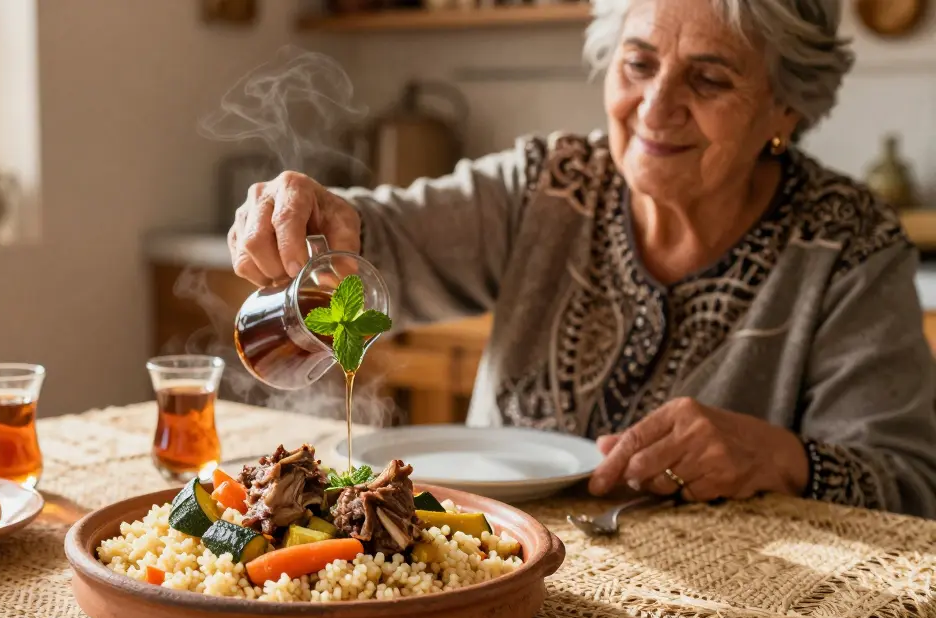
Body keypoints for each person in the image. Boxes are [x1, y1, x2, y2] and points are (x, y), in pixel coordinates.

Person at [225, 0, 936, 518]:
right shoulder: (548, 184)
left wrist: (781, 456)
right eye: (639, 63)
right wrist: (322, 219)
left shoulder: (847, 244)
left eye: (709, 79)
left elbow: (910, 485)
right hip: (484, 558)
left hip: (738, 617)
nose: (656, 107)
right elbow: (379, 245)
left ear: (786, 109)